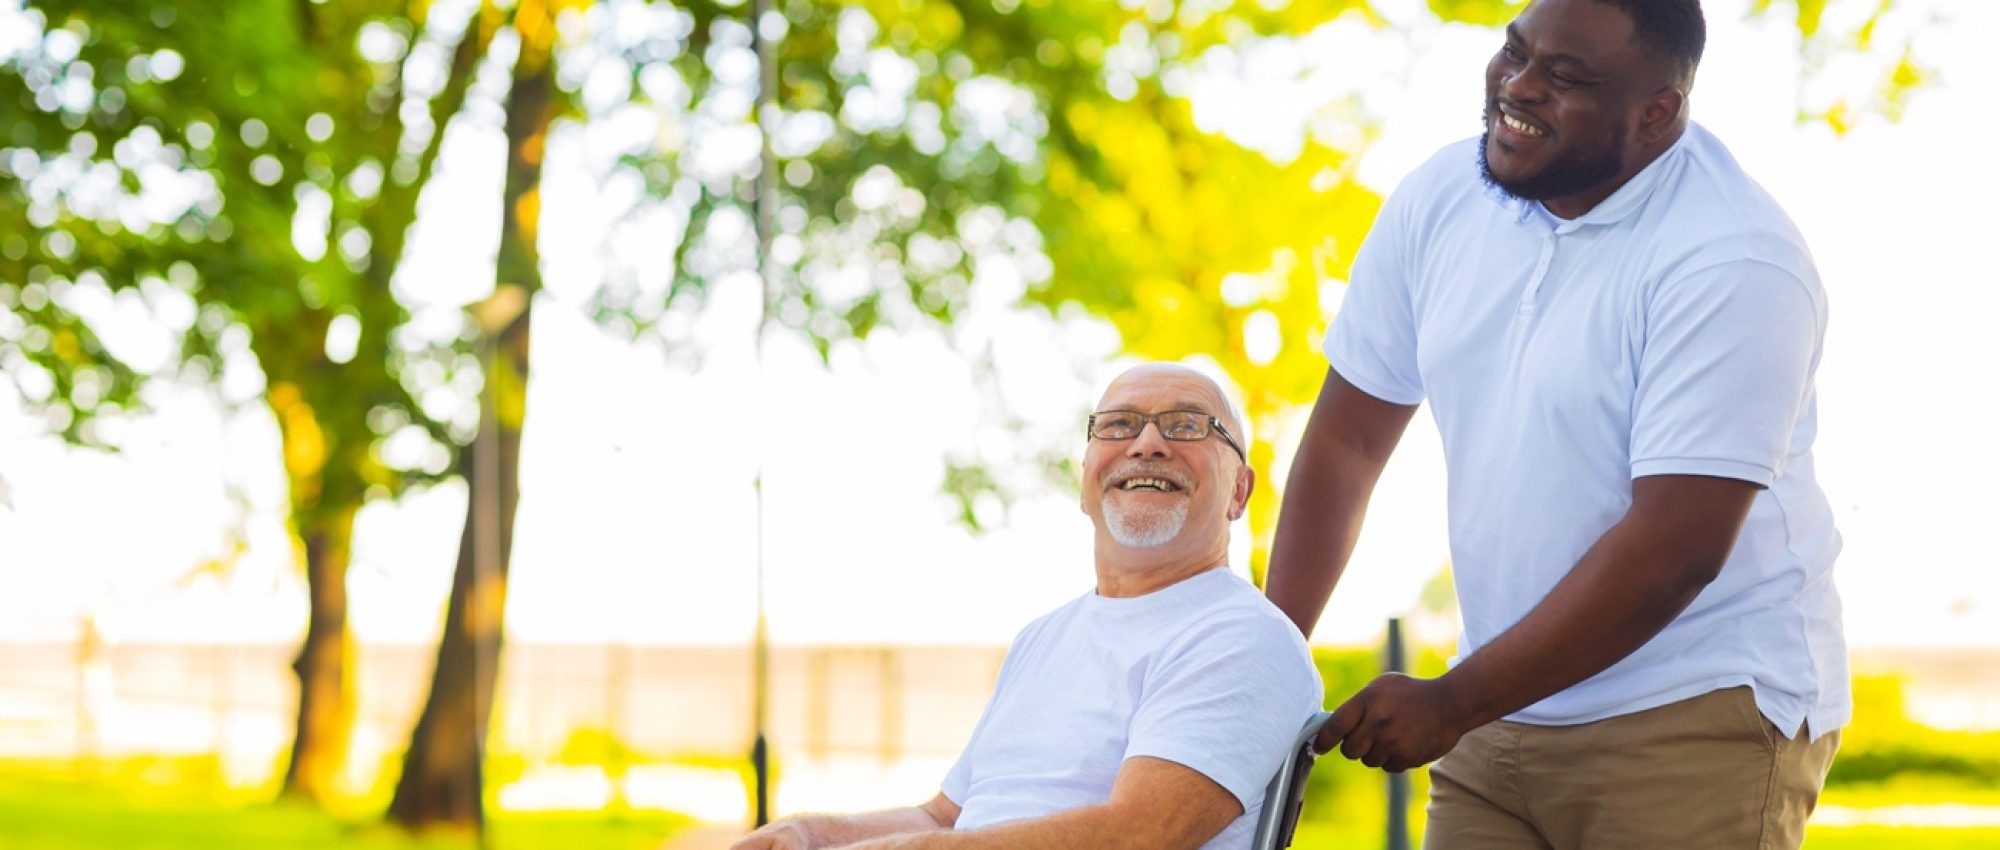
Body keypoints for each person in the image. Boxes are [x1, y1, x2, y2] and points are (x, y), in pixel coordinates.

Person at [1265, 0, 1846, 846]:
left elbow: (1672, 551)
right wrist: (1267, 665)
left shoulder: (1734, 260)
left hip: (1694, 713)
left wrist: (1452, 700)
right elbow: (1349, 442)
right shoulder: (1443, 195)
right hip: (1499, 707)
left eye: (1565, 77)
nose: (1519, 86)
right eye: (1514, 52)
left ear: (1657, 113)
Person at [731, 363, 1322, 850]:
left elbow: (1138, 837)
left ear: (1239, 490)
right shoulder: (1045, 636)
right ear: (1086, 480)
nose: (1147, 443)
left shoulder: (1243, 636)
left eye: (1186, 426)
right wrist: (805, 833)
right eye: (1118, 426)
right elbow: (944, 817)